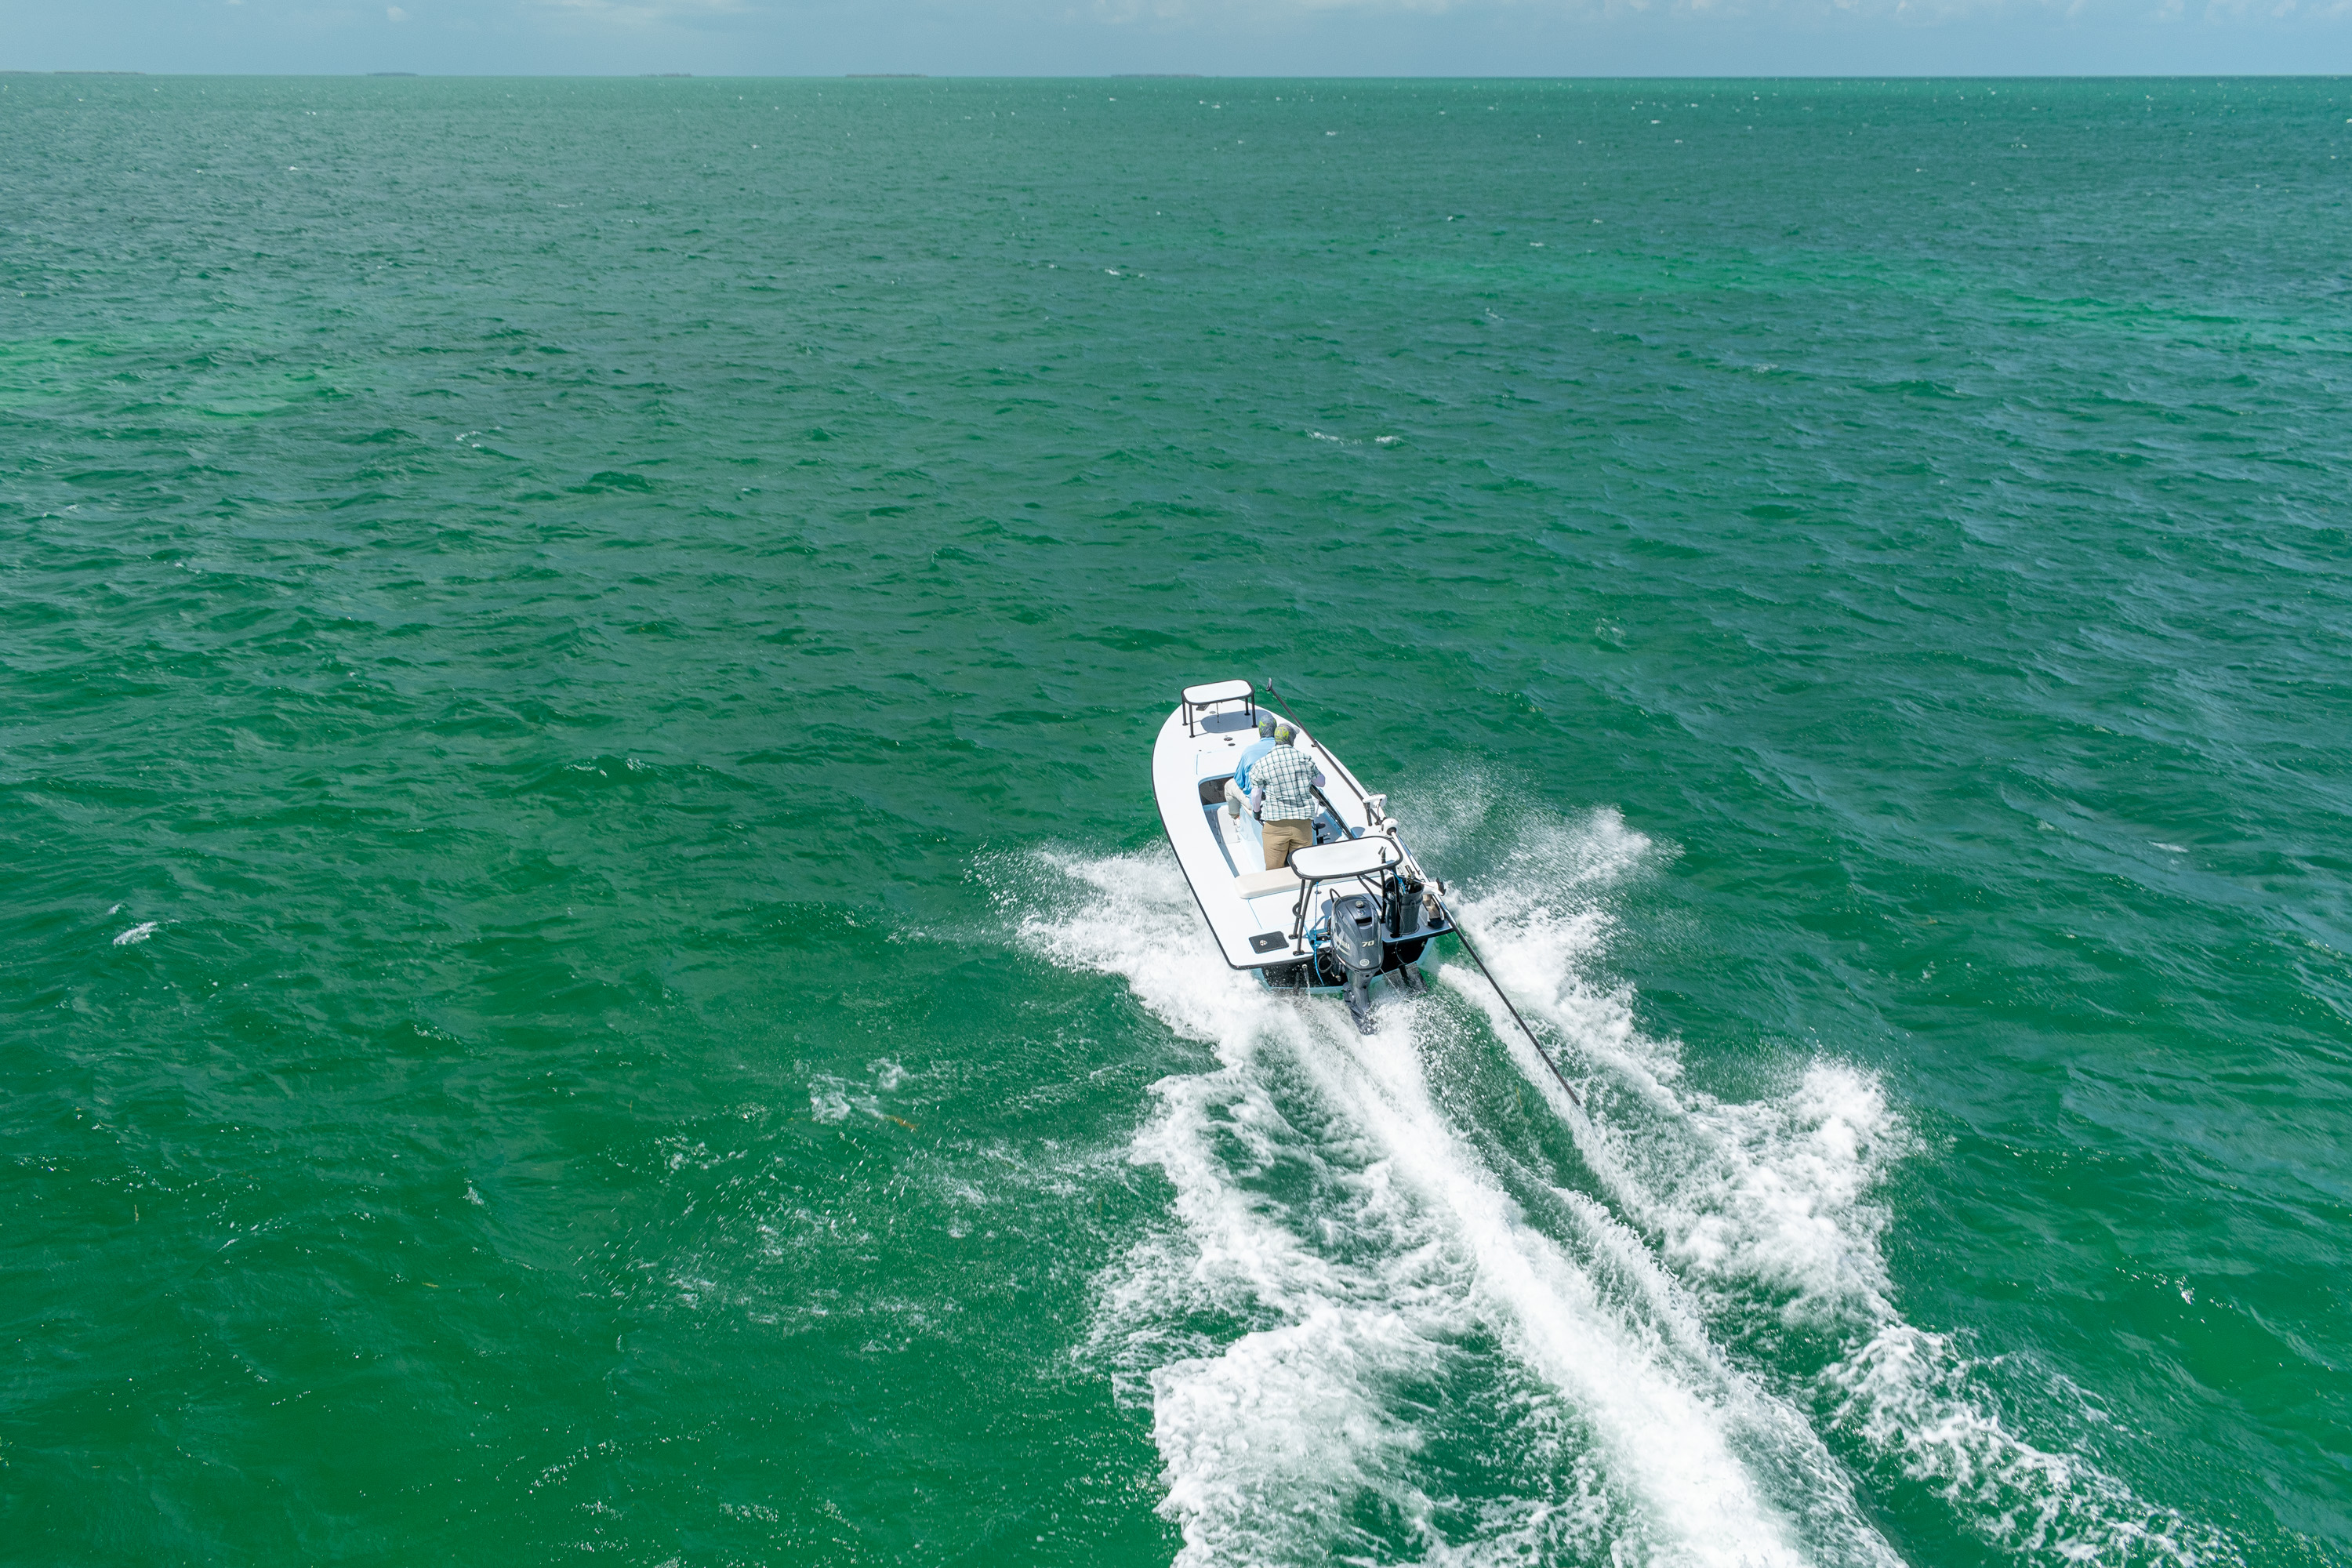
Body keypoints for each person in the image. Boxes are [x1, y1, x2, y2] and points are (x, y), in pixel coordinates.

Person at [1248, 723, 1326, 871]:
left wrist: (1257, 812)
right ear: (1291, 740)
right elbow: (1321, 782)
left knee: (1274, 870)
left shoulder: (1262, 764)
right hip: (1302, 825)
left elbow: (1256, 794)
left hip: (1275, 826)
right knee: (1301, 867)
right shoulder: (1305, 759)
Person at [1224, 714, 1279, 819]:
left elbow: (1239, 782)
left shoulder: (1249, 751)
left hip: (1257, 803)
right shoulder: (1285, 750)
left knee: (1229, 785)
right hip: (1281, 799)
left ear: (1260, 731)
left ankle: (1237, 817)